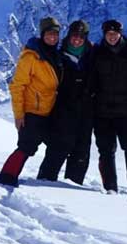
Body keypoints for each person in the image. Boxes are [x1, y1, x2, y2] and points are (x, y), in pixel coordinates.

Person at [0, 16, 64, 187]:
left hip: (51, 111)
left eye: (55, 34)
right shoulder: (31, 57)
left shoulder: (55, 55)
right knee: (27, 146)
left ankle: (46, 179)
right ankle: (6, 177)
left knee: (58, 145)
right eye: (49, 34)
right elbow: (17, 86)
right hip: (33, 112)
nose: (52, 37)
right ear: (42, 34)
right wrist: (19, 115)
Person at [89, 19, 127, 200]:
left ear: (120, 33)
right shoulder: (97, 53)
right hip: (102, 111)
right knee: (106, 150)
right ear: (104, 35)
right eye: (108, 34)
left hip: (126, 110)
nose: (112, 37)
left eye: (115, 34)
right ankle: (110, 187)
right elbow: (91, 77)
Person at [37, 19, 93, 185]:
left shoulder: (93, 57)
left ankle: (71, 189)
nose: (77, 40)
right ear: (68, 37)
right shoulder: (58, 57)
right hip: (63, 111)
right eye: (74, 36)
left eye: (81, 37)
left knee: (81, 152)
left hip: (85, 112)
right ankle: (43, 183)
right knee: (58, 148)